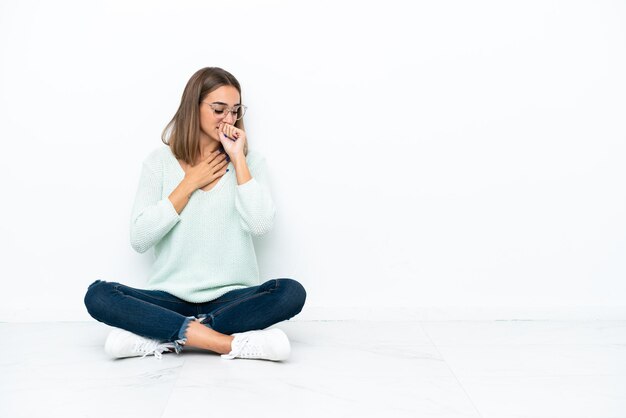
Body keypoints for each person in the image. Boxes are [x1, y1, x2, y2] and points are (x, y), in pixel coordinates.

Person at [84, 67, 306, 361]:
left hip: (230, 299)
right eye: (218, 109)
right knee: (98, 295)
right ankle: (226, 343)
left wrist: (238, 159)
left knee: (291, 292)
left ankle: (164, 336)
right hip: (169, 298)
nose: (228, 119)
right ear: (194, 107)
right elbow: (139, 238)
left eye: (235, 111)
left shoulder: (251, 162)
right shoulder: (159, 163)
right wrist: (188, 184)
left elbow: (261, 224)